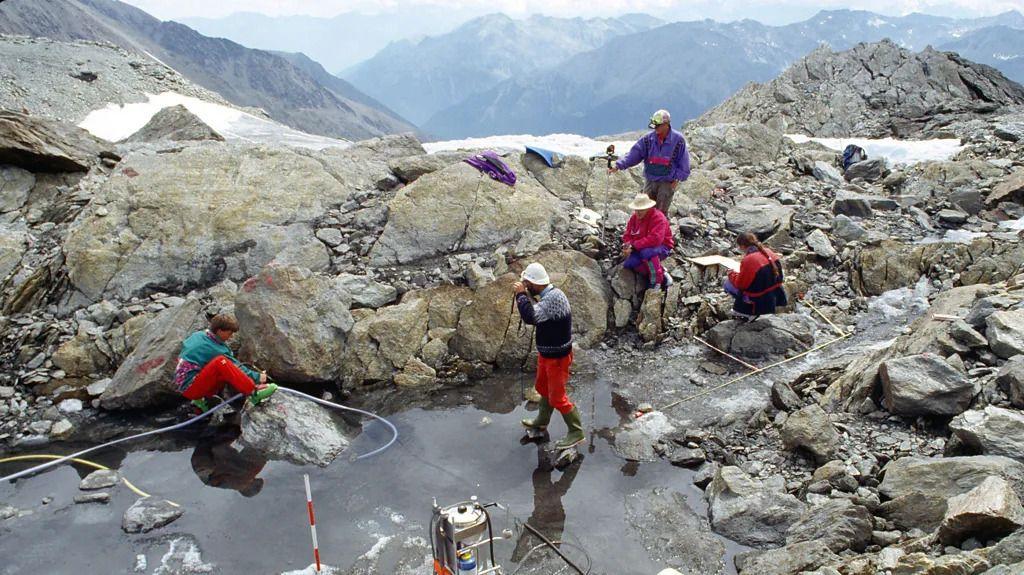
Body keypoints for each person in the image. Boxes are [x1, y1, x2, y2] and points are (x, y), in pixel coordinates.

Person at [514, 263, 584, 450]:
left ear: (535, 283)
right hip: (547, 353)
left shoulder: (554, 299)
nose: (526, 285)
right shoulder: (547, 295)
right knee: (542, 387)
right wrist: (525, 294)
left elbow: (531, 317)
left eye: (527, 283)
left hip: (558, 357)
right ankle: (542, 419)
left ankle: (576, 432)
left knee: (558, 397)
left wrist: (521, 295)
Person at [174, 314, 278, 413]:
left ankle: (200, 401)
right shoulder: (213, 348)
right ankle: (253, 393)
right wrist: (258, 377)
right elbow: (234, 366)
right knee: (221, 362)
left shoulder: (199, 335)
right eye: (229, 333)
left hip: (186, 382)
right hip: (191, 387)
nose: (231, 337)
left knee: (221, 371)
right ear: (219, 331)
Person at [609, 109, 691, 216]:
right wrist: (618, 165)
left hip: (666, 183)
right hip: (650, 181)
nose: (655, 128)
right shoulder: (648, 139)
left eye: (658, 126)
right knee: (644, 211)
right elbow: (634, 154)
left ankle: (660, 232)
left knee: (660, 214)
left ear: (666, 124)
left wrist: (677, 180)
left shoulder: (678, 140)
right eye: (654, 125)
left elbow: (684, 162)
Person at [724, 232, 787, 319]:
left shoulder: (749, 260)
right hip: (774, 292)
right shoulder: (768, 251)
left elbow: (740, 285)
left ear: (742, 246)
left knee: (727, 284)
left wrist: (731, 274)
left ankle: (746, 311)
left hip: (758, 297)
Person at [621, 193, 674, 290]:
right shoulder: (634, 218)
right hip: (639, 247)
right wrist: (627, 246)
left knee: (647, 253)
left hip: (662, 246)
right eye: (637, 210)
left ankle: (656, 281)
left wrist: (633, 246)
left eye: (641, 210)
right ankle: (661, 272)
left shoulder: (658, 218)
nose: (638, 213)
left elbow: (656, 239)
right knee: (629, 264)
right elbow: (627, 235)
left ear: (648, 208)